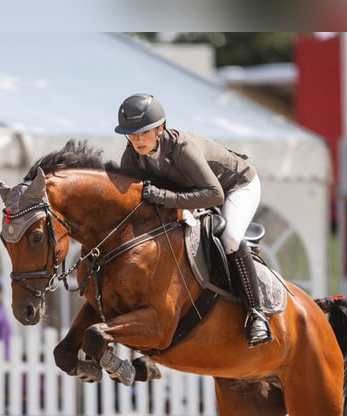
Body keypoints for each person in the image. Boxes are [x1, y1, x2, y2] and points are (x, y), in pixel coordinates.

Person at [114, 92, 272, 347]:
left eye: (144, 132)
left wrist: (165, 197)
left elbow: (214, 195)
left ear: (160, 128)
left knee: (230, 237)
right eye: (132, 134)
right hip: (191, 193)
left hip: (235, 187)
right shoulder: (131, 156)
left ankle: (257, 314)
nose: (138, 140)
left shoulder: (183, 149)